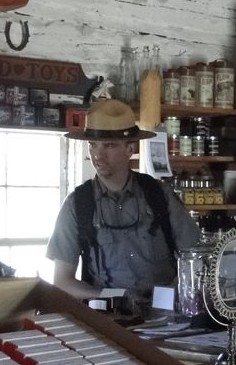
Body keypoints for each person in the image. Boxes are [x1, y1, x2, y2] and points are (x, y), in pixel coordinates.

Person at [47, 98, 200, 303]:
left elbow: (197, 257)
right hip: (108, 318)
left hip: (166, 314)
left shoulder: (158, 195)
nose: (97, 156)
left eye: (109, 146)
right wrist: (114, 297)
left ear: (130, 148)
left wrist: (168, 297)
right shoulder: (78, 204)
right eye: (93, 145)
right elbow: (61, 281)